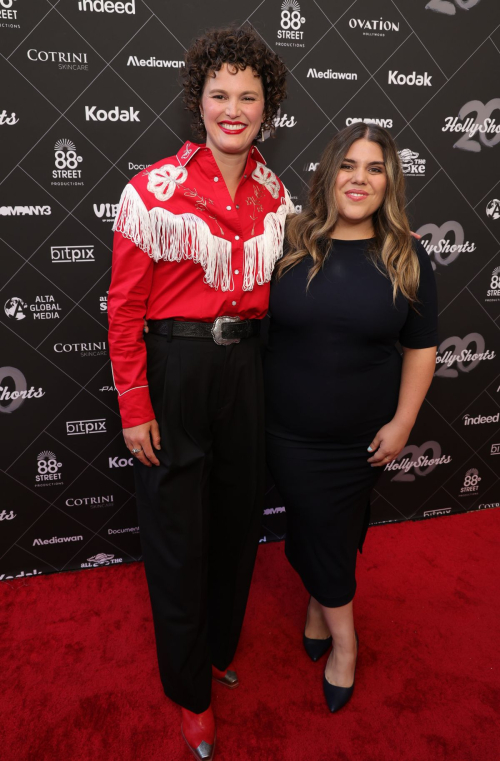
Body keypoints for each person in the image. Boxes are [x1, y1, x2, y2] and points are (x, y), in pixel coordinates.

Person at [107, 26, 290, 760]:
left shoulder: (279, 194)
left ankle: (215, 648)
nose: (234, 107)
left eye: (249, 95)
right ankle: (190, 694)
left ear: (266, 104)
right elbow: (122, 309)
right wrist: (134, 405)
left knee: (237, 520)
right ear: (198, 102)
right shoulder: (151, 190)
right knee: (179, 537)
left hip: (248, 372)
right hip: (175, 372)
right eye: (220, 94)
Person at [264, 123, 438, 713]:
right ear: (328, 173)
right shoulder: (286, 240)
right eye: (348, 165)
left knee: (328, 530)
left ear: (389, 182)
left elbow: (421, 345)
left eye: (374, 167)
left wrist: (405, 424)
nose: (358, 178)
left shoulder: (407, 256)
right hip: (286, 430)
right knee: (318, 526)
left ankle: (343, 643)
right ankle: (328, 616)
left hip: (364, 436)